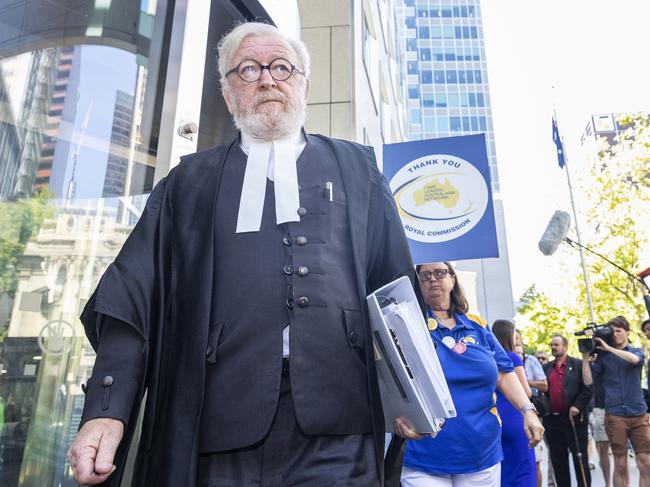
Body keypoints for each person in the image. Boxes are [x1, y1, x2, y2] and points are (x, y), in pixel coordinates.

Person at [67, 22, 418, 487]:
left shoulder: (357, 167)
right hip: (218, 425)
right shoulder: (188, 182)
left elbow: (395, 292)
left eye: (281, 68)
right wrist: (106, 413)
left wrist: (411, 397)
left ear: (304, 87)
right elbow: (131, 301)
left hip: (341, 424)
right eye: (248, 69)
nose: (267, 79)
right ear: (229, 95)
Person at [396, 262, 544, 487]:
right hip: (424, 455)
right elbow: (391, 378)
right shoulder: (407, 324)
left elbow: (504, 374)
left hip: (481, 453)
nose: (433, 279)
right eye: (425, 275)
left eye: (439, 273)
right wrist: (397, 415)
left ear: (452, 279)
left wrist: (528, 411)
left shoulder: (478, 325)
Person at [583, 316, 650, 487]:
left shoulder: (636, 352)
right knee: (620, 464)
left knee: (646, 462)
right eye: (613, 332)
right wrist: (585, 357)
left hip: (638, 414)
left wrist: (608, 348)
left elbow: (634, 360)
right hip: (615, 415)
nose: (616, 335)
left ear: (627, 332)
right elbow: (588, 381)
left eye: (619, 331)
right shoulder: (602, 358)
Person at [543, 334, 593, 487]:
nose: (553, 347)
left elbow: (588, 389)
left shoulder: (578, 364)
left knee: (580, 459)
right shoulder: (546, 368)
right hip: (552, 421)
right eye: (551, 345)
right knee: (558, 461)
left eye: (556, 344)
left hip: (574, 420)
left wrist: (577, 406)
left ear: (565, 346)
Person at [493, 320, 537, 486]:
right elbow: (526, 392)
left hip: (497, 417)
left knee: (504, 469)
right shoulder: (511, 357)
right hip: (515, 416)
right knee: (523, 468)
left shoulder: (490, 357)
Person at [516, 330, 549, 487]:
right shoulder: (499, 359)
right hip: (509, 416)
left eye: (518, 341)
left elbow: (543, 385)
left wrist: (522, 381)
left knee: (534, 460)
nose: (516, 344)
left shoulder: (530, 360)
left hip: (530, 412)